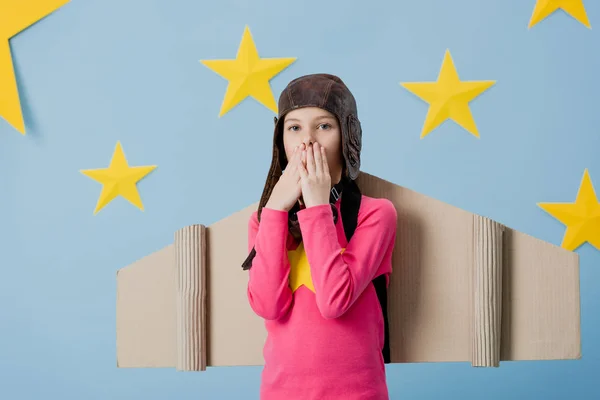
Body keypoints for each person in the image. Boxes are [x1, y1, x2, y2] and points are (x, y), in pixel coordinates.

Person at [241, 73, 397, 400]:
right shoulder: (264, 221)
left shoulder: (376, 214)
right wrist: (273, 212)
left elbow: (334, 301)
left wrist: (316, 206)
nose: (307, 141)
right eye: (294, 127)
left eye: (324, 126)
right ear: (279, 141)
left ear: (347, 135)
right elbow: (268, 306)